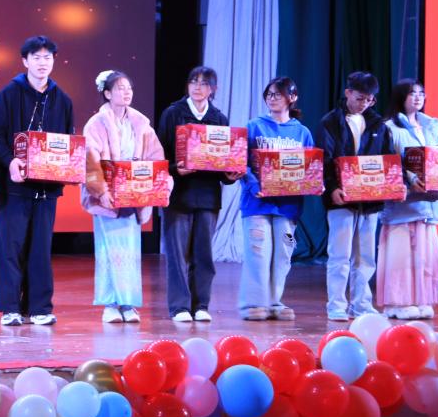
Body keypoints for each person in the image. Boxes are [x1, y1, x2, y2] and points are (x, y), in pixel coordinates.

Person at [0, 35, 74, 326]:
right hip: (15, 187)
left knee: (40, 249)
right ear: (25, 61)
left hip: (47, 189)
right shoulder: (9, 95)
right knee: (11, 247)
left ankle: (39, 308)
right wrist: (10, 161)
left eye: (47, 57)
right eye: (36, 57)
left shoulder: (63, 100)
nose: (42, 63)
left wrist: (68, 168)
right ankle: (10, 308)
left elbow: (68, 144)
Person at [156, 66, 243, 322]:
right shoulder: (173, 113)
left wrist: (229, 176)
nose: (197, 87)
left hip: (207, 196)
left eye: (204, 83)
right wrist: (175, 169)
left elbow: (223, 161)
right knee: (177, 255)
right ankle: (180, 307)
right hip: (178, 195)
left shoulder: (219, 118)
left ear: (213, 89)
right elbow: (159, 155)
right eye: (193, 81)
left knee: (203, 254)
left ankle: (201, 304)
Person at [82, 70, 169, 323]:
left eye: (129, 87)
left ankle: (128, 304)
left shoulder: (140, 123)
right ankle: (110, 304)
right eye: (120, 88)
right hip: (109, 197)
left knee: (130, 251)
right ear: (107, 94)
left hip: (134, 194)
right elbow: (90, 160)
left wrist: (154, 186)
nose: (126, 92)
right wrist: (101, 191)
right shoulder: (96, 124)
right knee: (109, 251)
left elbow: (155, 156)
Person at [238, 77, 316, 321]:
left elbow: (311, 167)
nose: (272, 98)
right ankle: (253, 303)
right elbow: (241, 162)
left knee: (283, 254)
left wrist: (315, 183)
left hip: (288, 207)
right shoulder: (254, 126)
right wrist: (253, 185)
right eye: (269, 94)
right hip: (257, 203)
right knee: (258, 252)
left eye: (278, 94)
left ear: (292, 98)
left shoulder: (302, 132)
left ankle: (274, 302)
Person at [319, 71, 395, 322]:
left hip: (370, 202)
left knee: (366, 257)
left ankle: (361, 304)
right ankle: (336, 305)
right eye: (360, 98)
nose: (364, 103)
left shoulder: (379, 125)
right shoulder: (330, 121)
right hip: (341, 199)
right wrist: (332, 188)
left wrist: (393, 186)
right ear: (348, 93)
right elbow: (324, 159)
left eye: (369, 99)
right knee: (339, 255)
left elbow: (387, 161)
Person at [378, 80, 438, 319]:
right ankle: (398, 302)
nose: (418, 97)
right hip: (403, 205)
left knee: (423, 256)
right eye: (412, 93)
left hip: (428, 205)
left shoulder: (430, 127)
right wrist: (409, 179)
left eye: (421, 93)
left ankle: (421, 300)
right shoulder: (390, 127)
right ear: (401, 97)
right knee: (401, 256)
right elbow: (388, 162)